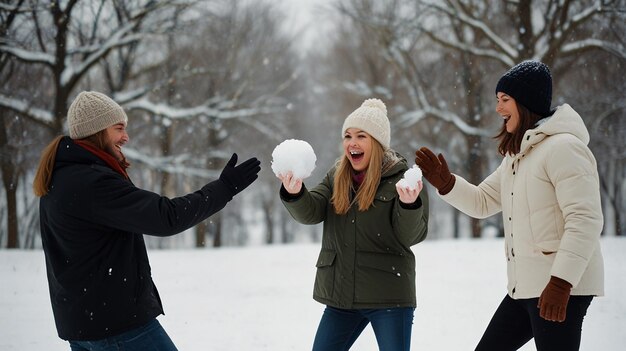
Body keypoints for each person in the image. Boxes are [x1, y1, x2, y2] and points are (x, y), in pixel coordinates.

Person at [33, 91, 261, 350]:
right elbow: (166, 217)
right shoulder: (92, 182)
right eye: (118, 128)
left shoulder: (60, 177)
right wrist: (224, 188)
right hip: (116, 327)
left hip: (83, 326)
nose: (125, 137)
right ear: (96, 131)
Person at [414, 60, 604, 351]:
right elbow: (482, 201)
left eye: (505, 100)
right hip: (526, 287)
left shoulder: (564, 147)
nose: (498, 109)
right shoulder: (519, 156)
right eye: (497, 100)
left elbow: (585, 219)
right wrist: (446, 183)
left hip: (560, 288)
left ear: (526, 103)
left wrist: (562, 282)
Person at [278, 98, 429, 351]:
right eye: (348, 136)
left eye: (362, 136)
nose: (352, 143)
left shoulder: (403, 179)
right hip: (342, 298)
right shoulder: (337, 174)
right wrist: (295, 194)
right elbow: (312, 211)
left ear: (378, 143)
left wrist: (409, 205)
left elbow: (411, 235)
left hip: (389, 296)